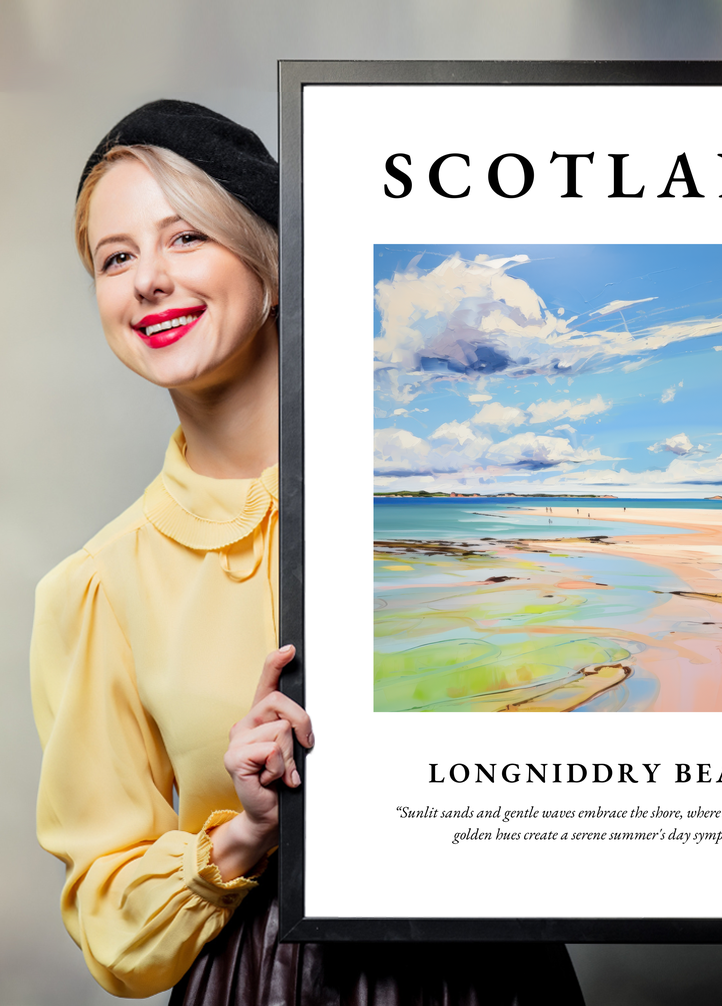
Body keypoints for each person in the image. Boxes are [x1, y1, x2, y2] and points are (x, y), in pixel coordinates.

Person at [30, 100, 584, 1004]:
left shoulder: (433, 501)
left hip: (491, 971)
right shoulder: (97, 587)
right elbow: (111, 926)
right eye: (115, 258)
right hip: (263, 981)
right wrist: (246, 833)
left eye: (186, 237)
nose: (149, 280)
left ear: (272, 261)